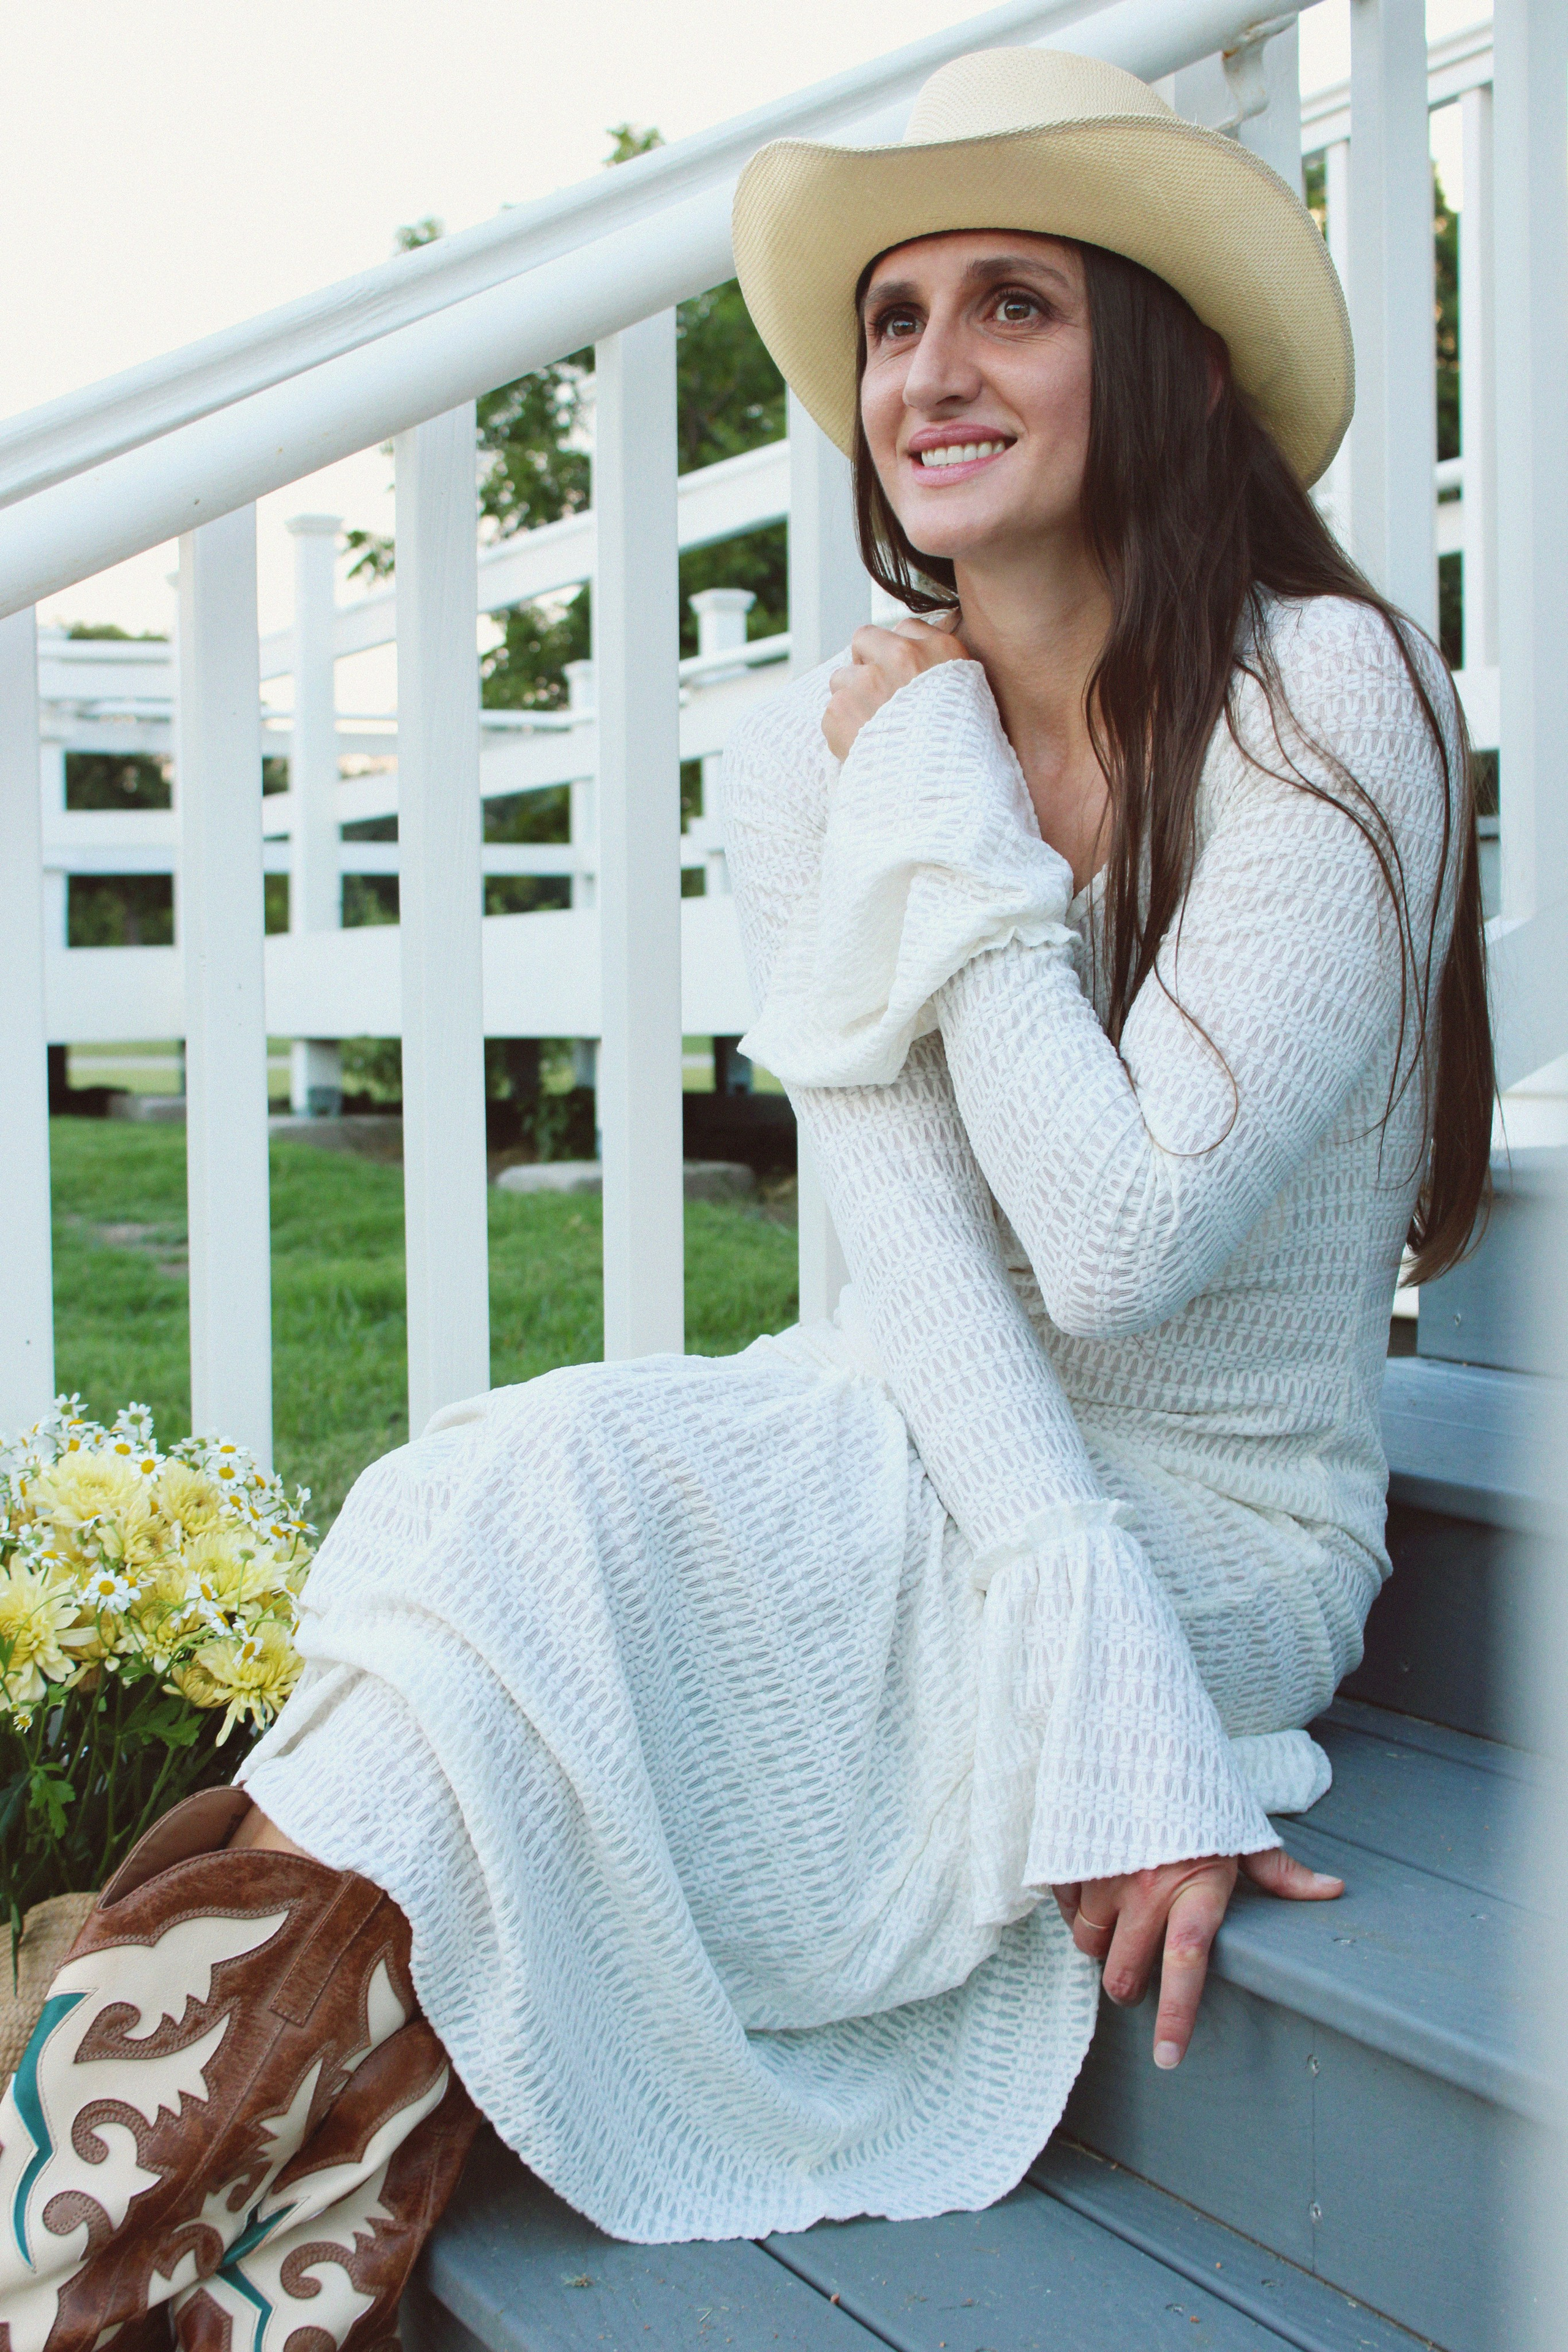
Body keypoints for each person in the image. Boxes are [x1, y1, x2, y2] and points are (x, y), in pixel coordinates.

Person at [1, 44, 1491, 2352]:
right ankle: (152, 2266)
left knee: (546, 1584)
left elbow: (1118, 1245)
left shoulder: (1324, 695)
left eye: (1014, 305)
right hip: (921, 1430)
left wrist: (950, 805)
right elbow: (914, 1258)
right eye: (895, 321)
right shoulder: (820, 754)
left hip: (1213, 1527)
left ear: (1168, 363)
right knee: (502, 1500)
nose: (930, 372)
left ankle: (104, 2253)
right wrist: (913, 779)